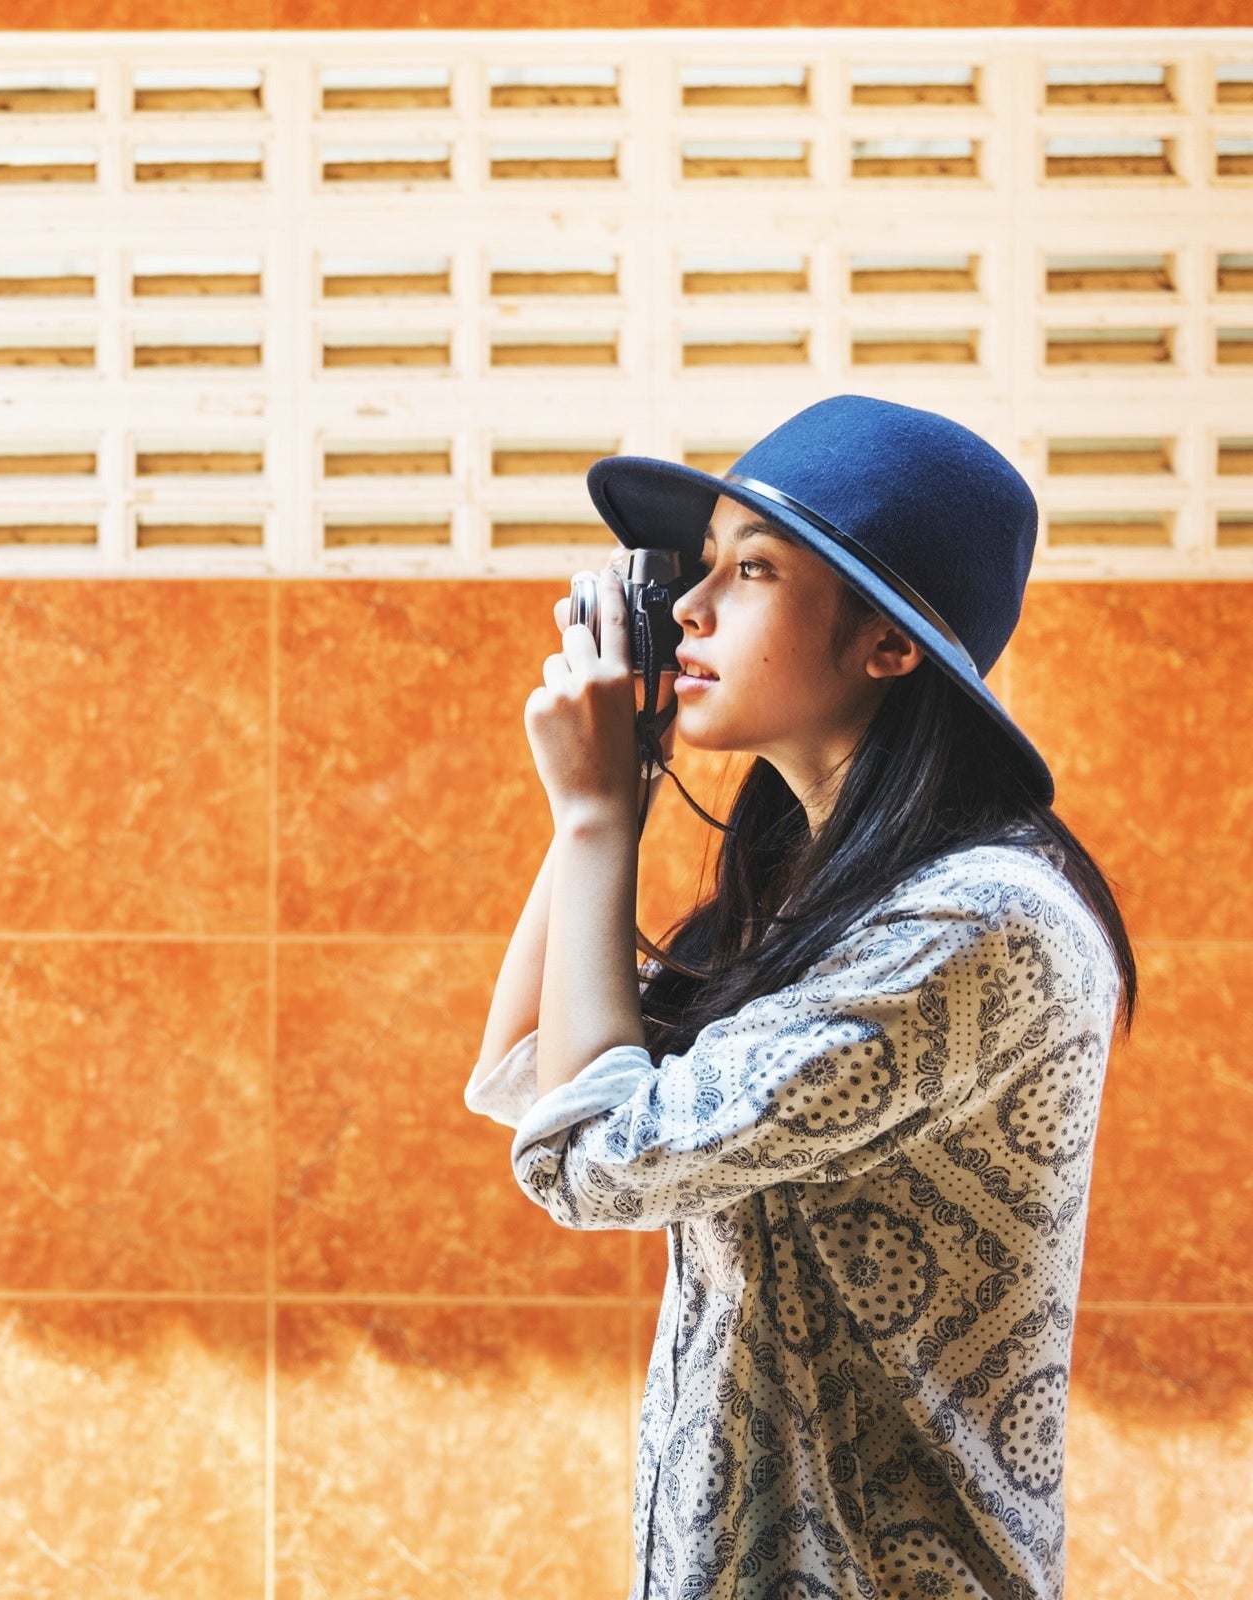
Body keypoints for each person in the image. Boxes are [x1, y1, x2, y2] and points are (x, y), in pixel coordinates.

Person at [465, 395, 1135, 1600]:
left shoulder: (978, 922)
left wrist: (597, 814)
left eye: (753, 568)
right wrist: (609, 794)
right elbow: (528, 1065)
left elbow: (596, 1155)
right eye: (701, 563)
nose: (688, 608)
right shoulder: (816, 900)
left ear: (890, 644)